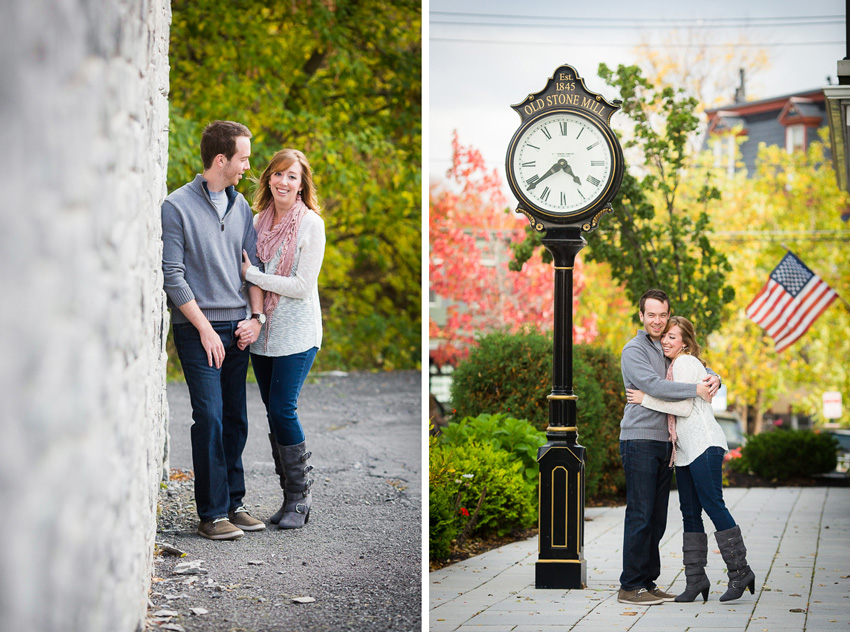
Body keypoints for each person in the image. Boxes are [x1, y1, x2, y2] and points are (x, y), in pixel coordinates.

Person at [161, 120, 267, 541]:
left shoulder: (241, 207)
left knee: (235, 418)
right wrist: (203, 328)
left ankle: (234, 503)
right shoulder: (176, 206)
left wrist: (254, 320)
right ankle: (211, 514)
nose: (247, 166)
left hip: (238, 327)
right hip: (198, 328)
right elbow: (173, 275)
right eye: (243, 158)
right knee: (208, 416)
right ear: (221, 159)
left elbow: (252, 270)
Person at [627, 316, 755, 603]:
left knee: (712, 504)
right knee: (689, 512)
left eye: (673, 336)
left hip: (704, 444)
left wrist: (644, 399)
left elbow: (684, 406)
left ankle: (740, 571)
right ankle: (695, 580)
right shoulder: (674, 364)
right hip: (685, 450)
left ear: (685, 341)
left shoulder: (685, 362)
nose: (666, 341)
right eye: (665, 337)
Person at [617, 289, 721, 606]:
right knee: (640, 514)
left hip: (665, 443)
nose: (658, 321)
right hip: (639, 439)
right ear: (641, 316)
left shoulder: (664, 346)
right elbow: (655, 386)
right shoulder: (634, 350)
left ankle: (647, 582)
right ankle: (630, 586)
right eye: (652, 315)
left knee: (657, 517)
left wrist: (714, 377)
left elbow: (691, 364)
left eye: (663, 315)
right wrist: (697, 389)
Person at [239, 148, 325, 530]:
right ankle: (288, 495)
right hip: (264, 335)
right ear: (268, 179)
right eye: (277, 174)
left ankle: (299, 499)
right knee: (272, 411)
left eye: (292, 176)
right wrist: (256, 314)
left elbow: (302, 286)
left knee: (282, 408)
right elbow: (246, 271)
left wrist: (254, 276)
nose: (283, 182)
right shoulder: (256, 222)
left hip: (298, 333)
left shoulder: (311, 225)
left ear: (302, 183)